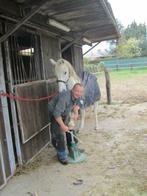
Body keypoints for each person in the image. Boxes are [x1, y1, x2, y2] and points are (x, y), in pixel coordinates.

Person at [48, 83, 84, 165]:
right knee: (59, 133)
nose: (78, 93)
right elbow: (56, 113)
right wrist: (63, 125)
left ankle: (72, 149)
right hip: (54, 112)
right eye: (77, 91)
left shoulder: (79, 95)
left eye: (80, 92)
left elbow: (80, 102)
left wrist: (76, 111)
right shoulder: (65, 98)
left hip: (65, 111)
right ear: (72, 90)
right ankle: (62, 155)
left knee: (70, 128)